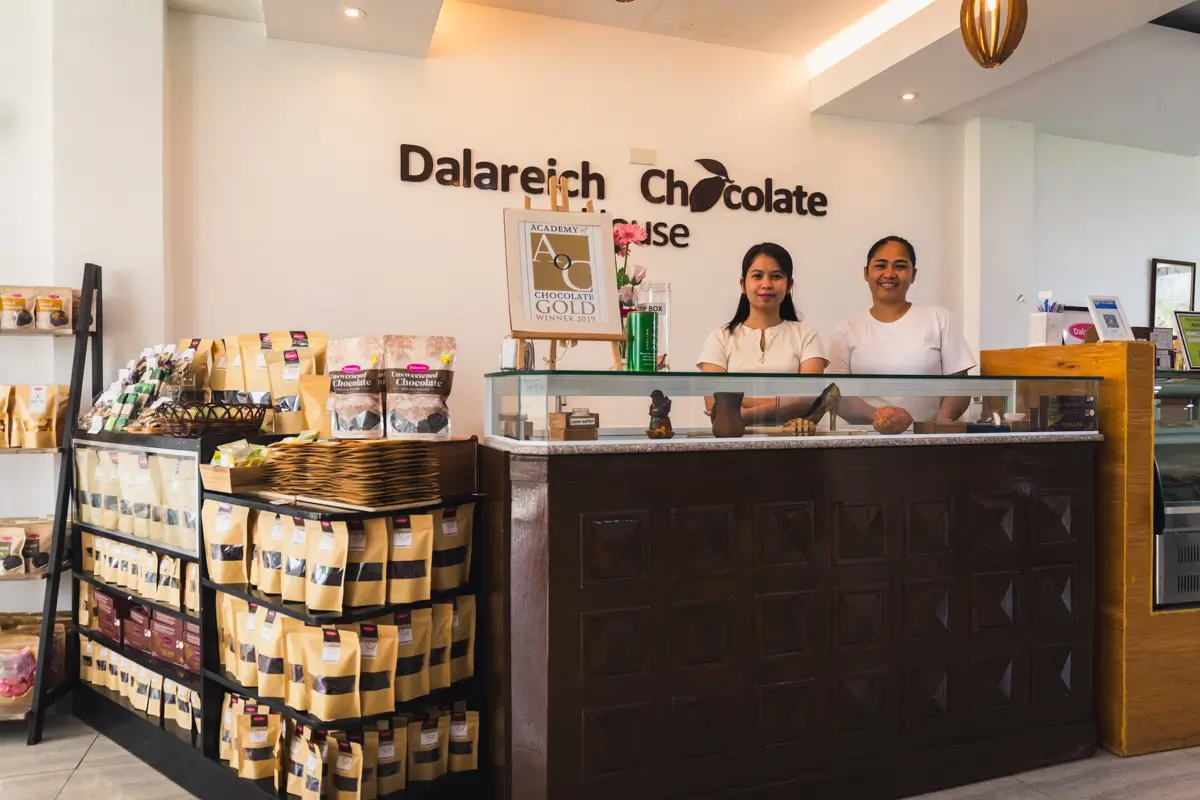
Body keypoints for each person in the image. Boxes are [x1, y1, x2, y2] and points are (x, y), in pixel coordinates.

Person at [827, 235, 976, 423]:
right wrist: (882, 419)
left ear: (913, 274)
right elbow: (837, 394)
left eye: (900, 266)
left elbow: (959, 386)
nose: (889, 274)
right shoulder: (846, 329)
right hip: (867, 439)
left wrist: (940, 427)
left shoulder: (939, 318)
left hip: (929, 439)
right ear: (866, 273)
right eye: (880, 265)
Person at [697, 242, 827, 424]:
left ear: (789, 284)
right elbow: (714, 403)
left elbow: (808, 400)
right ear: (743, 284)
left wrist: (739, 412)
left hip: (793, 442)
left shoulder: (807, 336)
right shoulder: (720, 337)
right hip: (733, 442)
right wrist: (786, 403)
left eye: (776, 276)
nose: (766, 284)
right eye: (757, 276)